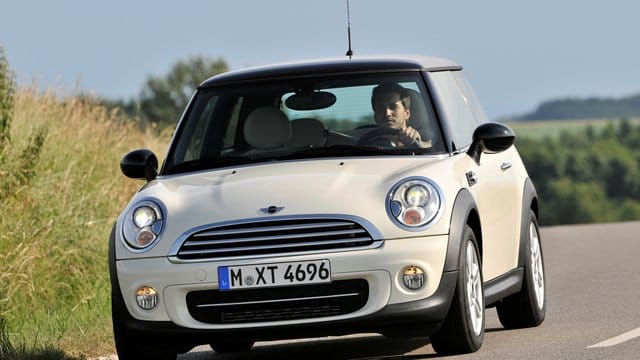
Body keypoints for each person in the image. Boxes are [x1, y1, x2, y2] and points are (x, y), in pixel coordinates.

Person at [370, 82, 431, 148]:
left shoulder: (430, 147)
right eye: (381, 108)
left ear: (406, 114)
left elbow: (432, 148)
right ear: (375, 116)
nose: (387, 113)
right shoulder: (364, 149)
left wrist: (419, 145)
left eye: (393, 107)